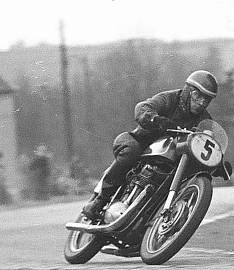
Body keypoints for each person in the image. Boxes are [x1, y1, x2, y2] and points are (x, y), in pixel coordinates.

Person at [82, 70, 218, 219]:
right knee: (130, 152)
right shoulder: (170, 99)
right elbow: (143, 107)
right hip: (140, 141)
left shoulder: (205, 120)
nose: (201, 102)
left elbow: (207, 142)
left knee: (184, 175)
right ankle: (99, 201)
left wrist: (217, 160)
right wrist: (154, 119)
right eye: (198, 95)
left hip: (172, 157)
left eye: (207, 99)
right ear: (187, 91)